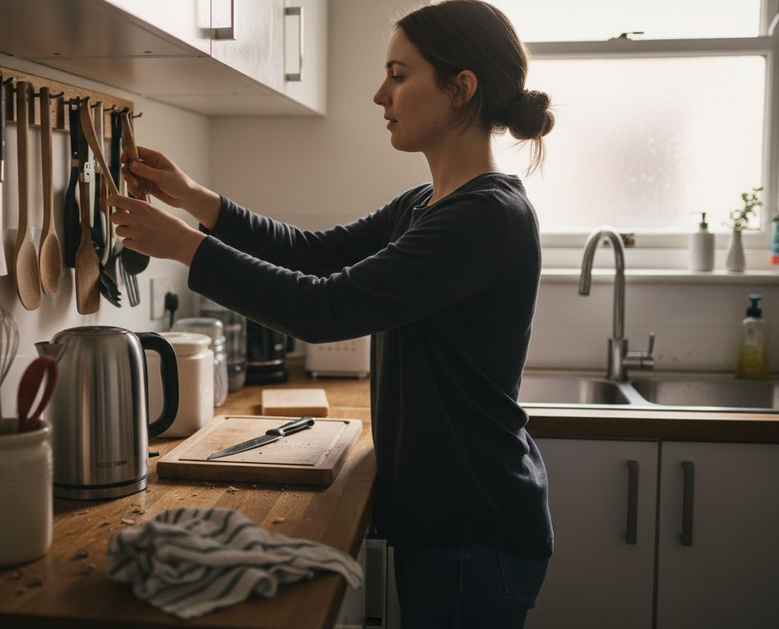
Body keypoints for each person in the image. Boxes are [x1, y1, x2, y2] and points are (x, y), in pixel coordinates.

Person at [111, 1, 555, 626]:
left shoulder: (486, 217)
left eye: (399, 75)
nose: (381, 95)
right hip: (451, 517)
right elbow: (316, 253)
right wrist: (196, 200)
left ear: (462, 89)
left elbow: (326, 307)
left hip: (472, 526)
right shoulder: (427, 204)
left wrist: (185, 245)